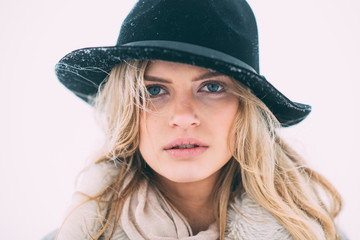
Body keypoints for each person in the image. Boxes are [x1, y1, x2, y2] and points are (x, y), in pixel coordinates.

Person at [48, 0, 345, 239]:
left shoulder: (315, 234)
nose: (183, 117)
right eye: (154, 90)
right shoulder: (76, 234)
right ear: (127, 110)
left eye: (212, 87)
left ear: (246, 107)